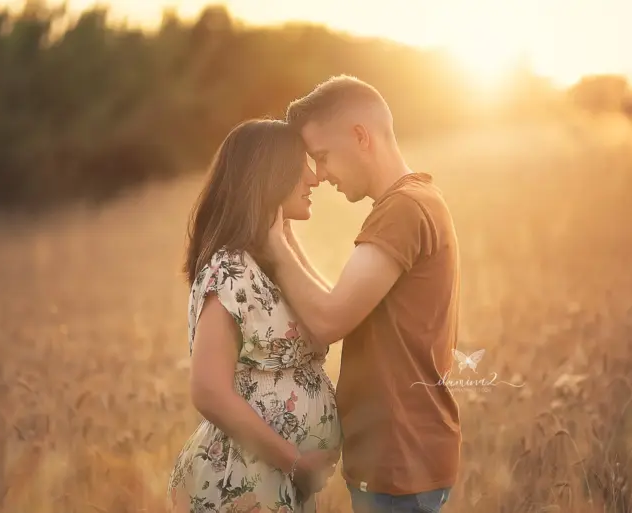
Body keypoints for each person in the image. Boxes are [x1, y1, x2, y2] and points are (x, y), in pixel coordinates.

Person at [265, 76, 462, 513]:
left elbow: (329, 320)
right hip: (405, 455)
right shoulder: (416, 199)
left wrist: (271, 240)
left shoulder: (402, 210)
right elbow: (340, 305)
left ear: (360, 137)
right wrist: (290, 237)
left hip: (400, 459)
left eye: (322, 156)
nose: (319, 174)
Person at [167, 119, 341, 513]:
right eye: (302, 165)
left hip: (276, 480)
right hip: (243, 482)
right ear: (272, 175)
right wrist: (293, 462)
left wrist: (285, 242)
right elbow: (208, 390)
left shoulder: (269, 261)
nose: (314, 179)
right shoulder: (230, 269)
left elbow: (329, 317)